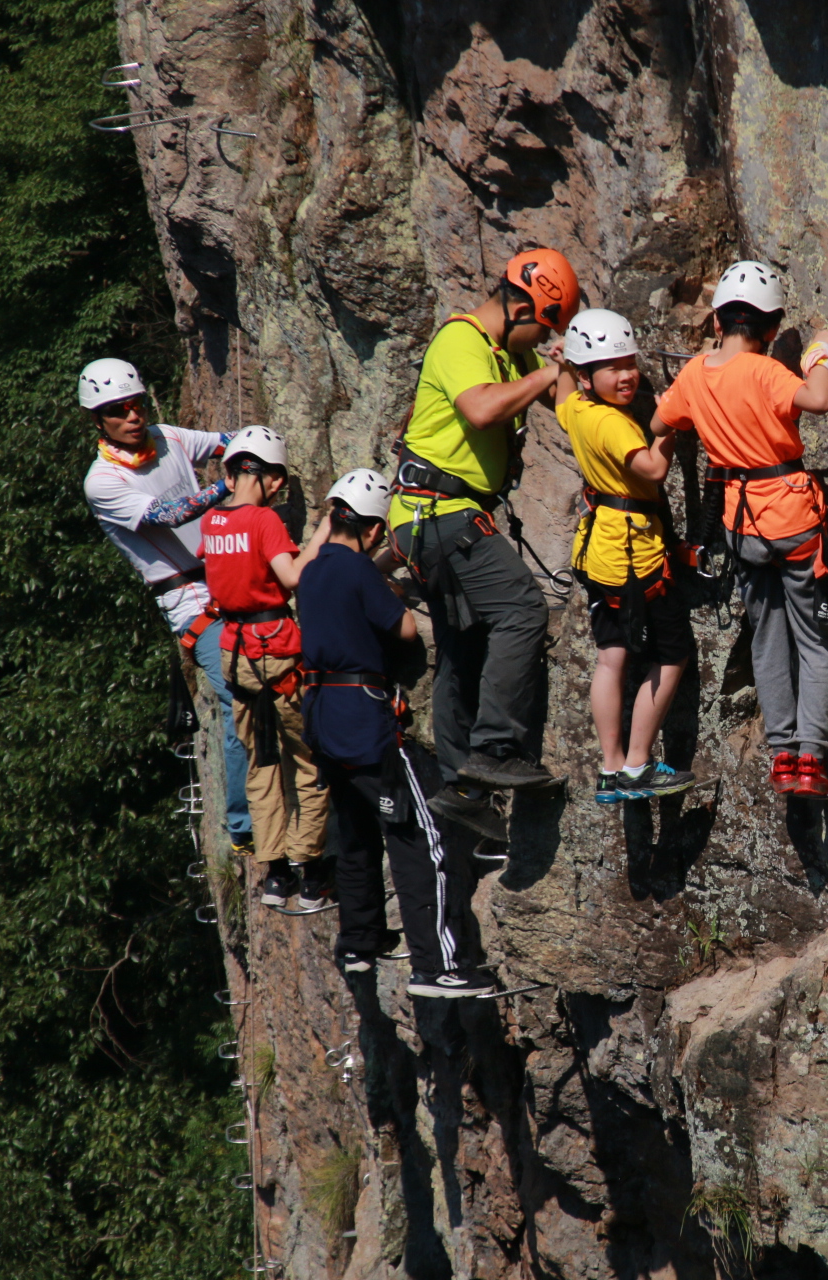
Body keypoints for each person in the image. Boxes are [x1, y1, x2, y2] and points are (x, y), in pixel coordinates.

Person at [389, 247, 582, 834]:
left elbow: (565, 407)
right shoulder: (463, 341)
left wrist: (568, 370)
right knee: (522, 609)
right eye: (544, 323)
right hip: (438, 511)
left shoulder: (506, 355)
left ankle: (462, 787)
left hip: (437, 516)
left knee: (462, 646)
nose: (543, 336)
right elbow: (478, 411)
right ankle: (497, 750)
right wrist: (548, 370)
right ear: (519, 304)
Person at [297, 469, 498, 998]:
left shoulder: (313, 570)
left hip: (322, 717)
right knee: (418, 839)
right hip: (365, 719)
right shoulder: (360, 572)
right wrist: (393, 592)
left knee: (357, 833)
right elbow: (404, 629)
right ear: (370, 530)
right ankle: (439, 967)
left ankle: (360, 941)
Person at [648, 261, 828, 798]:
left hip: (741, 525)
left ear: (717, 323)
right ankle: (810, 759)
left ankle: (781, 753)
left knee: (768, 636)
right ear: (772, 329)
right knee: (817, 642)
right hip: (791, 520)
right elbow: (819, 399)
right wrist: (821, 350)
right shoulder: (765, 370)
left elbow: (660, 425)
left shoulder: (694, 374)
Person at [79, 358, 253, 856]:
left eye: (135, 405)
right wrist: (228, 483)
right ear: (98, 419)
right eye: (117, 410)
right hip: (188, 597)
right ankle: (242, 826)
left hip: (227, 571)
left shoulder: (168, 436)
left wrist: (251, 443)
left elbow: (224, 441)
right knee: (237, 698)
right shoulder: (103, 481)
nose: (131, 417)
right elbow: (168, 514)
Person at [552, 308, 699, 804]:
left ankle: (611, 767)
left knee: (611, 658)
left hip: (598, 550)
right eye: (612, 367)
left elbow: (560, 395)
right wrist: (673, 415)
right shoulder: (615, 425)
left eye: (629, 361)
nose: (627, 374)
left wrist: (564, 366)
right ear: (590, 378)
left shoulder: (576, 407)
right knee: (673, 651)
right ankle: (638, 766)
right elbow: (655, 469)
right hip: (633, 556)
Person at [201, 425, 335, 909]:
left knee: (261, 763)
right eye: (277, 479)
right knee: (307, 758)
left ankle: (274, 874)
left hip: (233, 653)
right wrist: (323, 531)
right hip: (276, 651)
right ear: (262, 475)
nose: (279, 488)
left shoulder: (212, 523)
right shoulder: (264, 522)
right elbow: (293, 578)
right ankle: (311, 870)